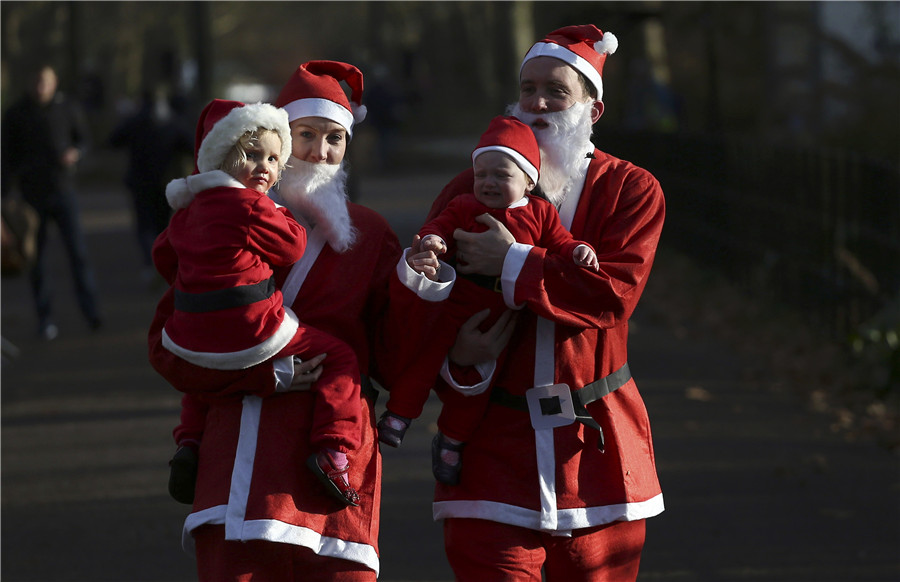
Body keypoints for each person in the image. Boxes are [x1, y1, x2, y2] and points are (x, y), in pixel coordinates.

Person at [148, 60, 449, 581]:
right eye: (304, 135)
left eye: (335, 138)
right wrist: (264, 376)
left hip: (331, 482)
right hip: (235, 467)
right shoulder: (215, 221)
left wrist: (413, 287)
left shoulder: (370, 234)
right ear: (275, 140)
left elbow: (394, 364)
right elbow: (170, 346)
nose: (320, 152)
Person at [424, 25, 666, 581]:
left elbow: (612, 295)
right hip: (489, 447)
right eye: (527, 87)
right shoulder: (471, 187)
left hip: (597, 448)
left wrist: (512, 262)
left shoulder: (632, 189)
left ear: (592, 109)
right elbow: (419, 299)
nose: (536, 103)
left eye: (556, 91)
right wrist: (453, 347)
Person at [152, 98, 364, 507]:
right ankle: (334, 449)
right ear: (221, 157)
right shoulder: (251, 205)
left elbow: (164, 255)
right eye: (252, 155)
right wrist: (276, 211)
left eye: (272, 158)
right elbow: (292, 246)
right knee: (340, 358)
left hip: (190, 333)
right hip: (255, 328)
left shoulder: (187, 210)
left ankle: (188, 443)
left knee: (202, 363)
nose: (266, 167)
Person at [377, 115, 599, 486]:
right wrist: (433, 241)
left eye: (501, 175)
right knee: (425, 357)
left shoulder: (541, 213)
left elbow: (560, 243)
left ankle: (452, 439)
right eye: (482, 175)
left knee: (479, 386)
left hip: (503, 313)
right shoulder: (465, 204)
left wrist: (579, 250)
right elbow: (439, 225)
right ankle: (398, 413)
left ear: (529, 180)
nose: (489, 183)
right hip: (459, 301)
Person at [1, 64, 103, 340]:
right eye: (36, 82)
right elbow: (6, 159)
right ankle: (45, 319)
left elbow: (84, 142)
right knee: (37, 259)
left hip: (64, 192)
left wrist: (76, 154)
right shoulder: (14, 114)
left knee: (78, 254)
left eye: (45, 82)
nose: (40, 87)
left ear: (54, 82)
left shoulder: (67, 108)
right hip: (31, 198)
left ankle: (91, 312)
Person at [109, 86, 193, 283]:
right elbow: (191, 146)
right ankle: (162, 263)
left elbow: (113, 141)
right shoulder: (173, 123)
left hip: (140, 183)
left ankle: (151, 263)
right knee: (162, 225)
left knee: (144, 226)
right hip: (165, 183)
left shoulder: (134, 122)